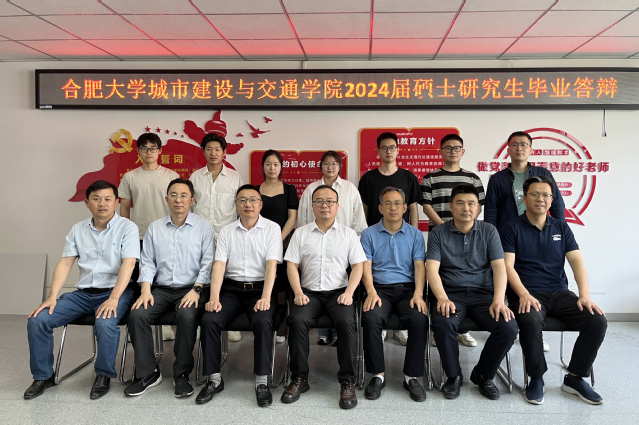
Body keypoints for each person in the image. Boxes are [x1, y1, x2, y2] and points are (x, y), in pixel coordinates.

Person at [25, 180, 139, 400]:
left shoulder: (127, 228)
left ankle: (103, 375)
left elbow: (129, 264)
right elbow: (66, 262)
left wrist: (114, 298)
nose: (102, 204)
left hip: (115, 292)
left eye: (107, 199)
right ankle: (43, 376)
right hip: (83, 294)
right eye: (96, 199)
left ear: (116, 202)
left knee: (105, 322)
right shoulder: (78, 229)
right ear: (87, 203)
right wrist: (51, 296)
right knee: (38, 319)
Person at [501, 176, 607, 405]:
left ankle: (575, 378)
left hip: (559, 292)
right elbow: (507, 267)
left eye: (546, 195)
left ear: (552, 200)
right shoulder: (511, 227)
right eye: (535, 194)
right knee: (530, 320)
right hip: (526, 293)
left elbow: (577, 263)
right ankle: (536, 377)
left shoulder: (561, 227)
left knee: (596, 320)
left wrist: (584, 295)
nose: (540, 199)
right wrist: (523, 294)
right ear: (525, 198)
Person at [123, 178, 214, 398]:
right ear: (166, 199)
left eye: (183, 195)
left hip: (192, 288)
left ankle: (181, 374)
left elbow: (208, 262)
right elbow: (147, 263)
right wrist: (145, 290)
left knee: (186, 314)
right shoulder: (155, 228)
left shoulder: (204, 227)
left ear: (192, 200)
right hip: (161, 289)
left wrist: (197, 290)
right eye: (173, 195)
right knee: (137, 315)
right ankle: (147, 373)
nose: (178, 200)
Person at [427, 184, 518, 400]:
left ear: (478, 208)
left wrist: (499, 300)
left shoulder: (489, 231)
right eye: (460, 203)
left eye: (471, 203)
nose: (466, 208)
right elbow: (431, 269)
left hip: (483, 295)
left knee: (508, 327)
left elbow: (499, 268)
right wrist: (442, 298)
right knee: (443, 323)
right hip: (451, 294)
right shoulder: (438, 233)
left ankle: (483, 374)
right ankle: (453, 376)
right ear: (451, 206)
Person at [197, 184, 283, 407]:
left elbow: (271, 265)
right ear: (236, 205)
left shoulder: (272, 229)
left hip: (260, 290)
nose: (248, 204)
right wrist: (214, 298)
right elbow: (219, 265)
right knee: (209, 320)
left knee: (263, 321)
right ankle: (214, 379)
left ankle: (262, 381)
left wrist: (266, 297)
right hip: (231, 290)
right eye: (242, 200)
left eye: (253, 200)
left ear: (260, 204)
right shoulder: (227, 231)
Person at [281, 185, 366, 409]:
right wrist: (298, 292)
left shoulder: (348, 234)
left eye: (330, 201)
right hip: (308, 293)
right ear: (312, 206)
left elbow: (358, 266)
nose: (324, 205)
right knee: (297, 320)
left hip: (339, 293)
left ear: (337, 206)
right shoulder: (300, 233)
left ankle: (347, 381)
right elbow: (291, 265)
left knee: (347, 323)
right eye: (319, 201)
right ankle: (299, 378)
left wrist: (349, 293)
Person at [360, 187, 428, 402]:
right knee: (371, 317)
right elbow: (365, 266)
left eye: (397, 203)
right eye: (387, 203)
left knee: (419, 318)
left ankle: (411, 376)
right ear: (380, 208)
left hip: (408, 289)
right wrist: (370, 292)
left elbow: (420, 266)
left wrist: (418, 294)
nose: (393, 207)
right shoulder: (369, 234)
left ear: (405, 207)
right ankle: (377, 375)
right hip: (379, 289)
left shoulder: (415, 234)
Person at [421, 133, 485, 349]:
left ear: (463, 151)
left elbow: (478, 206)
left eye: (457, 148)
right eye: (448, 148)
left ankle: (462, 330)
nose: (452, 151)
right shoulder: (430, 177)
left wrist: (462, 225)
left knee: (464, 275)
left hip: (469, 236)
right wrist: (446, 228)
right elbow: (426, 206)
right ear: (440, 151)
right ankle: (439, 327)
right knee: (439, 276)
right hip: (440, 236)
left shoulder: (473, 178)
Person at [358, 132, 421, 346]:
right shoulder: (368, 178)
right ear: (378, 151)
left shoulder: (408, 177)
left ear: (398, 150)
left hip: (403, 234)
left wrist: (412, 232)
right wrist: (366, 232)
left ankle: (400, 329)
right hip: (377, 235)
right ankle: (382, 326)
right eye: (384, 147)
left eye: (392, 147)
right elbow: (364, 209)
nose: (388, 151)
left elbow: (413, 207)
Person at [298, 150, 366, 346]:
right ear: (321, 166)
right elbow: (303, 218)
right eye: (326, 163)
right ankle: (323, 333)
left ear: (340, 167)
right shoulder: (311, 188)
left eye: (334, 163)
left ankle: (337, 333)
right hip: (314, 243)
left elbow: (358, 218)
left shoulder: (349, 188)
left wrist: (354, 244)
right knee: (318, 283)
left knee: (338, 287)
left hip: (343, 247)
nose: (330, 167)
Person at [119, 132, 179, 341]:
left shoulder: (171, 176)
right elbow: (124, 207)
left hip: (167, 234)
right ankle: (139, 324)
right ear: (138, 152)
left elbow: (179, 205)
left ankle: (168, 325)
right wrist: (126, 234)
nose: (149, 152)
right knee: (140, 280)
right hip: (139, 235)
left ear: (160, 151)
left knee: (165, 279)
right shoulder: (130, 177)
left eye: (153, 148)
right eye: (144, 148)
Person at [190, 133, 244, 342]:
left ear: (224, 152)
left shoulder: (235, 177)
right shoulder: (195, 177)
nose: (213, 153)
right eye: (209, 149)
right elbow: (191, 208)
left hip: (226, 235)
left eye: (217, 149)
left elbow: (241, 208)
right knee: (201, 277)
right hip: (200, 236)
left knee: (227, 279)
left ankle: (230, 324)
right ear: (203, 152)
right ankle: (199, 321)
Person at [484, 131, 565, 234]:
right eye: (514, 144)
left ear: (530, 150)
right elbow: (491, 212)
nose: (519, 148)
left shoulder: (543, 174)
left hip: (539, 232)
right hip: (508, 234)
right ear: (508, 150)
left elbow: (557, 205)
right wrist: (491, 238)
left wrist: (561, 232)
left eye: (523, 144)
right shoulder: (497, 179)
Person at [257, 150, 299, 344]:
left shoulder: (289, 189)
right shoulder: (256, 190)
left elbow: (292, 217)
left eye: (275, 164)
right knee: (264, 281)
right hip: (258, 244)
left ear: (281, 167)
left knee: (282, 285)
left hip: (283, 242)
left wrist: (277, 240)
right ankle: (265, 323)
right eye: (268, 164)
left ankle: (281, 329)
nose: (272, 168)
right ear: (263, 166)